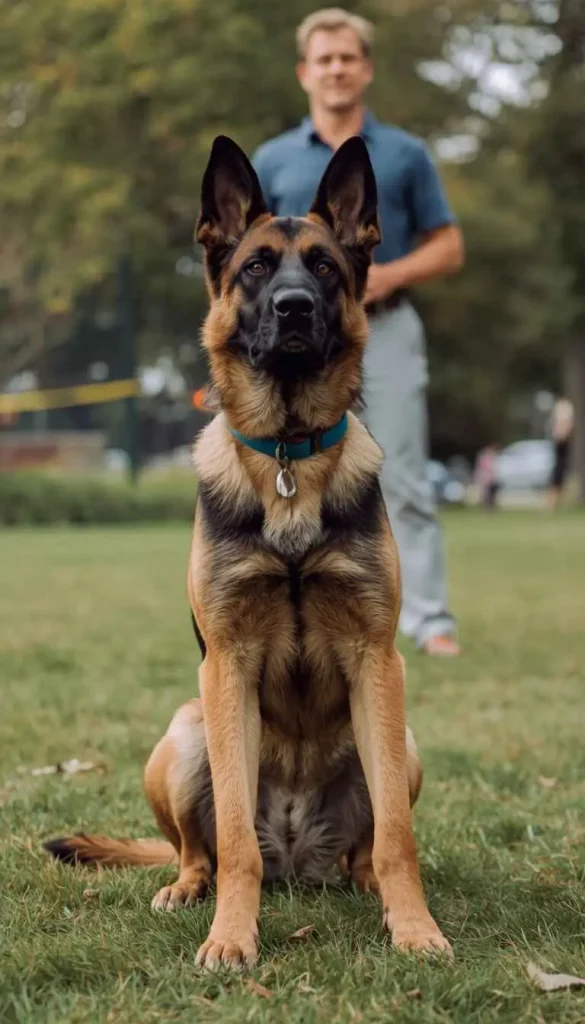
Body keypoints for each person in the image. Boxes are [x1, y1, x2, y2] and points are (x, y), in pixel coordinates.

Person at [252, 8, 465, 655]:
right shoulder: (272, 158)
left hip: (384, 329)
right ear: (303, 73)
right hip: (297, 348)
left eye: (347, 57)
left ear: (365, 69)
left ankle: (427, 620)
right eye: (324, 59)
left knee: (400, 474)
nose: (336, 69)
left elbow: (449, 245)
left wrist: (384, 273)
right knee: (286, 467)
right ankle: (294, 611)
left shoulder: (402, 154)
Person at [547, 396, 574, 510]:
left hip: (561, 463)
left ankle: (558, 505)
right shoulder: (560, 437)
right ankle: (551, 505)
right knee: (557, 480)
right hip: (559, 464)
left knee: (560, 479)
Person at [474, 444, 501, 510]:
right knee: (486, 493)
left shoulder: (490, 459)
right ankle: (486, 507)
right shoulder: (485, 459)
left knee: (490, 493)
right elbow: (482, 469)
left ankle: (490, 506)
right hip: (486, 478)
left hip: (490, 478)